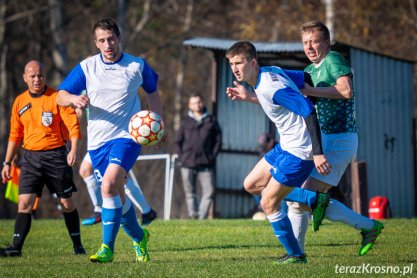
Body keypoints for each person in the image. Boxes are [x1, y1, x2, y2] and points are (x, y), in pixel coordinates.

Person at [57, 18, 163, 263]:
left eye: (111, 39)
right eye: (102, 40)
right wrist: (74, 99)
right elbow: (60, 96)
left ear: (119, 39)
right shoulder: (87, 67)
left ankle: (107, 248)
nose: (108, 44)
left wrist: (158, 122)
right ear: (96, 43)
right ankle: (140, 238)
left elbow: (152, 90)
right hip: (97, 143)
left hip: (127, 137)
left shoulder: (136, 65)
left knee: (108, 186)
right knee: (118, 197)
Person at [225, 41, 332, 264]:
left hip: (300, 151)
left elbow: (309, 111)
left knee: (268, 203)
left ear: (253, 63)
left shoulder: (269, 86)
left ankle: (295, 254)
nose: (234, 68)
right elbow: (306, 78)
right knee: (251, 185)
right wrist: (247, 97)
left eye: (239, 63)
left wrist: (318, 152)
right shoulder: (271, 72)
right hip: (286, 145)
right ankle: (311, 198)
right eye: (231, 64)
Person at [285, 20, 384, 257]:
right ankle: (296, 254)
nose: (309, 47)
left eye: (314, 41)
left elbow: (345, 90)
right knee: (298, 199)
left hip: (340, 140)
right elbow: (295, 100)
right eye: (305, 42)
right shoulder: (309, 71)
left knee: (304, 196)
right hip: (323, 140)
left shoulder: (334, 60)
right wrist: (250, 96)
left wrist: (309, 91)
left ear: (327, 43)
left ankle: (369, 226)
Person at [0, 60, 86, 257]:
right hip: (30, 159)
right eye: (32, 76)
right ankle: (15, 247)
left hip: (56, 156)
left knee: (66, 203)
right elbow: (15, 135)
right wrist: (7, 162)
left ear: (44, 76)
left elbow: (73, 126)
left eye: (40, 75)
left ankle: (78, 245)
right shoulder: (20, 102)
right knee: (24, 204)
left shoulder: (57, 97)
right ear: (25, 78)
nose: (37, 79)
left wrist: (73, 150)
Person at [175, 94, 221, 219]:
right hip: (187, 163)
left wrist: (212, 156)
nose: (197, 105)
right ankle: (193, 216)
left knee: (209, 191)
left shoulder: (211, 120)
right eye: (194, 103)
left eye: (199, 102)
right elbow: (178, 142)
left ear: (203, 103)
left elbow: (218, 141)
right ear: (190, 106)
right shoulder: (185, 122)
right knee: (190, 193)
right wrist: (182, 158)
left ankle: (201, 217)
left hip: (206, 163)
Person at [79, 152, 157, 226]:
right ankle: (100, 210)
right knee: (85, 170)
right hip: (95, 141)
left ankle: (146, 212)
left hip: (110, 141)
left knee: (120, 177)